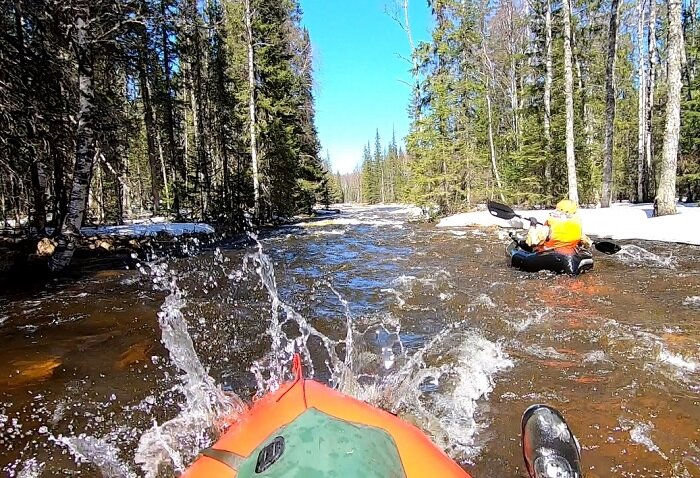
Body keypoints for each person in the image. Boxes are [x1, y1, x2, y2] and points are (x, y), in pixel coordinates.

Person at [525, 199, 592, 254]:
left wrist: (533, 225)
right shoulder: (577, 225)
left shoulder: (550, 225)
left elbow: (531, 241)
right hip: (570, 254)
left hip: (550, 253)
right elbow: (587, 243)